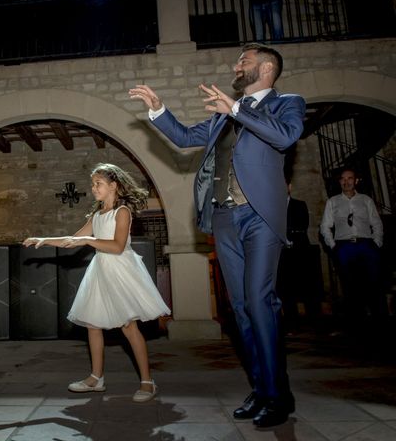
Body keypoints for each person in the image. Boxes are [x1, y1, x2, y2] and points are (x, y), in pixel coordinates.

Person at [129, 42, 305, 427]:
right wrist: (158, 109)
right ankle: (261, 390)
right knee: (239, 308)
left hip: (259, 216)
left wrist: (237, 108)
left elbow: (286, 137)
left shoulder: (287, 103)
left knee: (260, 302)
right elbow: (184, 136)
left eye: (244, 60)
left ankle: (279, 395)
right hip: (224, 218)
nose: (235, 65)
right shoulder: (224, 118)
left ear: (267, 68)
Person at [23, 163, 170, 403]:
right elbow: (74, 239)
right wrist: (45, 239)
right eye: (92, 184)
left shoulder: (122, 212)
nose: (93, 188)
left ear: (114, 186)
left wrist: (89, 242)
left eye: (98, 183)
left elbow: (117, 246)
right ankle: (96, 378)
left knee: (128, 327)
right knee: (93, 324)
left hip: (121, 270)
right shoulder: (97, 215)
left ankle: (147, 381)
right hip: (101, 270)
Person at [319, 167, 385, 333]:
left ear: (356, 181)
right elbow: (325, 226)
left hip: (366, 245)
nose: (346, 181)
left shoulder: (366, 200)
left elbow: (376, 223)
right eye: (343, 178)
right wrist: (334, 246)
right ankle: (357, 326)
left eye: (350, 178)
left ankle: (380, 324)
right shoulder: (332, 202)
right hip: (344, 246)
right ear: (339, 181)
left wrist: (376, 243)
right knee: (350, 286)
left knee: (373, 284)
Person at [276, 184, 321, 334]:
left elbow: (303, 225)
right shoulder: (273, 207)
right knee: (286, 290)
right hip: (283, 253)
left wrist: (289, 235)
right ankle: (292, 324)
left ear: (289, 187)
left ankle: (315, 323)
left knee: (308, 288)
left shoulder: (299, 204)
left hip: (300, 251)